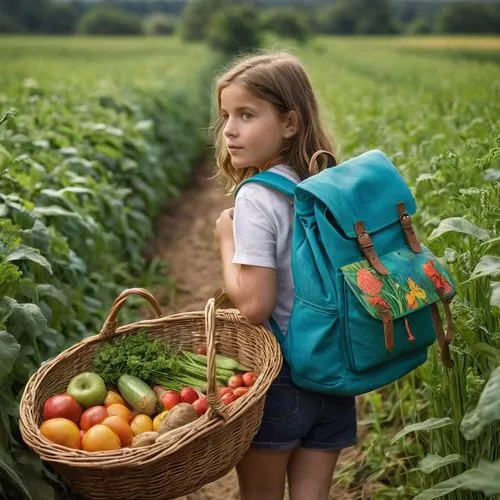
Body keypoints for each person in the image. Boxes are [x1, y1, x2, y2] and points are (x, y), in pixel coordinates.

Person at [213, 51, 357, 500]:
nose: (230, 130)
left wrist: (226, 239)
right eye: (225, 116)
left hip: (281, 377)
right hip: (335, 371)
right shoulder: (323, 183)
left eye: (247, 114)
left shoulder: (256, 197)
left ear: (289, 122)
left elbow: (255, 306)